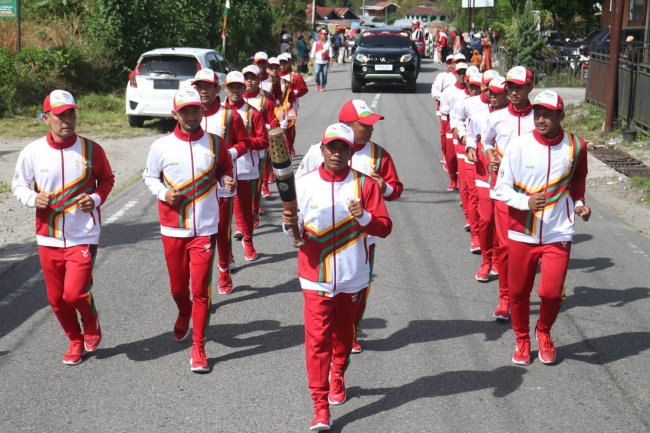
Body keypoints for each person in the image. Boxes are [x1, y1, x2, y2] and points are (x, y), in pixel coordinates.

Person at [282, 123, 392, 432]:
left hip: (351, 275)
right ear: (322, 148)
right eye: (332, 147)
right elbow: (294, 230)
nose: (337, 152)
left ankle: (339, 371)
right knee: (317, 341)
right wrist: (290, 223)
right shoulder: (302, 184)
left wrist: (364, 216)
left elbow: (384, 227)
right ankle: (319, 406)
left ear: (351, 151)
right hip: (314, 275)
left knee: (344, 337)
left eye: (343, 147)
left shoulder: (365, 186)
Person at [12, 89, 114, 366]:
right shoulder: (32, 151)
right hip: (49, 236)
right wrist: (34, 198)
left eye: (71, 113)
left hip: (83, 234)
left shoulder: (92, 149)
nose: (67, 119)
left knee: (75, 293)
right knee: (56, 300)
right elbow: (18, 185)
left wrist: (93, 199)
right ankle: (75, 340)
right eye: (60, 115)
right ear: (46, 118)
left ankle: (91, 322)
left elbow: (106, 180)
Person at [295, 100, 403, 354]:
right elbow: (299, 187)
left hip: (362, 237)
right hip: (320, 237)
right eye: (365, 124)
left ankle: (348, 331)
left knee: (356, 292)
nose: (371, 128)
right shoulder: (317, 151)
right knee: (323, 295)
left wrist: (383, 187)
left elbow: (395, 189)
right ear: (348, 126)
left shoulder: (378, 154)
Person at [494, 90, 590, 365]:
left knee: (550, 291)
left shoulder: (576, 146)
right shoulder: (518, 145)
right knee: (519, 292)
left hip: (558, 230)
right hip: (522, 229)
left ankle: (543, 331)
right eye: (537, 113)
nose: (541, 119)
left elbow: (579, 177)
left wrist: (580, 202)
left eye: (548, 114)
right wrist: (525, 201)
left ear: (561, 116)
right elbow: (500, 188)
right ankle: (522, 339)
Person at [143, 87, 236, 373]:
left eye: (196, 109)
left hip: (205, 227)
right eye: (185, 111)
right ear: (175, 114)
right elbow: (149, 177)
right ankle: (183, 311)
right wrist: (163, 194)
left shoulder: (216, 144)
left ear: (202, 111)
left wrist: (227, 184)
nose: (192, 115)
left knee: (200, 290)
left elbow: (224, 171)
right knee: (177, 288)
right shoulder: (161, 146)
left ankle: (198, 346)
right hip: (173, 228)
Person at [482, 66, 536, 321]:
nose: (514, 92)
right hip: (504, 190)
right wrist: (492, 157)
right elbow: (486, 141)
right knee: (504, 248)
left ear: (530, 88)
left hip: (534, 193)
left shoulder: (539, 116)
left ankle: (534, 292)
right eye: (510, 88)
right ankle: (505, 297)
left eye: (519, 87)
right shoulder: (497, 116)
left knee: (530, 250)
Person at [191, 68, 249, 295]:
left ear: (217, 89)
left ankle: (224, 269)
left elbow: (244, 143)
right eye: (199, 87)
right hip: (194, 187)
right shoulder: (188, 114)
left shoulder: (229, 115)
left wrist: (228, 155)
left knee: (220, 230)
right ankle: (200, 284)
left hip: (223, 185)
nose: (203, 91)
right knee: (198, 236)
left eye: (208, 86)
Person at [466, 75, 508, 282]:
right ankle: (486, 259)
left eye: (497, 94)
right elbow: (472, 135)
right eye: (489, 92)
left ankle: (498, 259)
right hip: (483, 171)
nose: (491, 97)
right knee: (486, 219)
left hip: (505, 177)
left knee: (502, 223)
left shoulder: (512, 118)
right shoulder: (479, 114)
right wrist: (470, 147)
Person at [225, 71, 269, 261]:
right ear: (225, 89)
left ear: (244, 89)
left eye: (238, 86)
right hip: (224, 168)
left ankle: (248, 240)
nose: (235, 90)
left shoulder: (253, 113)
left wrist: (243, 143)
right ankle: (228, 253)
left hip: (246, 167)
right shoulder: (219, 113)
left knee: (248, 207)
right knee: (224, 212)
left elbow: (264, 141)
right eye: (231, 87)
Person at [242, 64, 280, 216]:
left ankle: (255, 208)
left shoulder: (264, 101)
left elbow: (274, 121)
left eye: (252, 78)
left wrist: (262, 127)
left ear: (259, 80)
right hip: (238, 148)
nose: (249, 82)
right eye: (246, 78)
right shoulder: (233, 100)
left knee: (255, 180)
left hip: (257, 146)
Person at [440, 61, 469, 191]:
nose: (462, 76)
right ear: (455, 74)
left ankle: (465, 182)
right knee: (450, 157)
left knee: (465, 159)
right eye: (459, 73)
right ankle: (453, 180)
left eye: (464, 73)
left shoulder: (471, 91)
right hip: (451, 127)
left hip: (467, 128)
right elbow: (443, 110)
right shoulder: (448, 91)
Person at [431, 54, 458, 169]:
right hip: (444, 110)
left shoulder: (463, 76)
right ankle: (446, 154)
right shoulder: (442, 76)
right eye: (449, 62)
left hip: (458, 111)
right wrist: (446, 99)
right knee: (445, 134)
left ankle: (454, 158)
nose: (452, 65)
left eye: (454, 62)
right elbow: (435, 91)